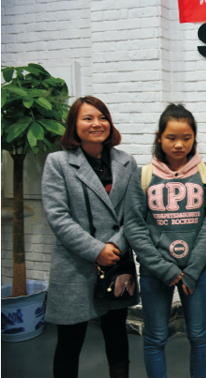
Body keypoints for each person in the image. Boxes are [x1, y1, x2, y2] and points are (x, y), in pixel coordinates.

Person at [42, 96, 139, 378]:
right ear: (74, 125)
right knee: (70, 340)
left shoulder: (126, 162)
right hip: (75, 264)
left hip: (117, 262)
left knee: (116, 333)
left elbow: (134, 213)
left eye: (102, 117)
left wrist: (115, 245)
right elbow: (58, 216)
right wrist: (96, 250)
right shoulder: (58, 162)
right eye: (88, 118)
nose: (97, 124)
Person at [124, 103, 206, 378]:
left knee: (199, 335)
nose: (179, 144)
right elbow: (134, 226)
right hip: (155, 273)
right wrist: (163, 268)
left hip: (196, 272)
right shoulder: (144, 175)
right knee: (155, 338)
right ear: (159, 137)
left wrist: (193, 269)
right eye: (171, 137)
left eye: (186, 138)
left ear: (194, 138)